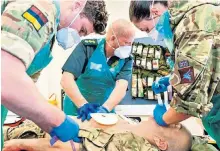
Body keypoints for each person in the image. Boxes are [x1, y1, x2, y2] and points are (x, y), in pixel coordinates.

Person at [1, 0, 108, 149]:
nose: (78, 36)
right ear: (78, 5)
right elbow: (5, 78)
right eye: (82, 29)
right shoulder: (40, 11)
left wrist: (31, 108)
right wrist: (57, 120)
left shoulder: (49, 34)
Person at [129, 0, 220, 147]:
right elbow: (203, 67)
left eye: (146, 29)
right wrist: (173, 78)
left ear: (155, 12)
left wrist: (164, 119)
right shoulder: (192, 19)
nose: (150, 35)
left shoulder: (194, 25)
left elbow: (189, 102)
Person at [61, 19, 135, 121]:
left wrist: (105, 109)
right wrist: (83, 104)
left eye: (131, 43)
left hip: (104, 112)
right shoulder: (87, 48)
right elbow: (66, 79)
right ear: (113, 39)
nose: (129, 47)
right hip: (76, 109)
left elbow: (121, 87)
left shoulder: (127, 59)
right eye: (126, 43)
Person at [3, 116, 192, 151]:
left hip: (33, 137)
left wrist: (22, 144)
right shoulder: (133, 126)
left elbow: (73, 148)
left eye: (176, 127)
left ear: (160, 143)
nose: (172, 122)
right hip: (39, 128)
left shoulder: (133, 145)